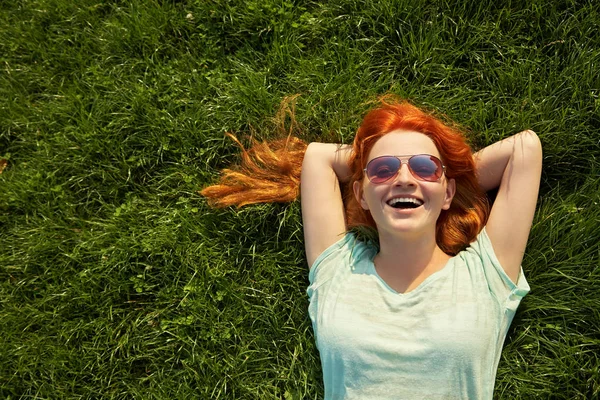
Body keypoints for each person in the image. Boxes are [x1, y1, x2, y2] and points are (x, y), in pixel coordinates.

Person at [201, 97, 543, 399]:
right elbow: (319, 158)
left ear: (449, 193)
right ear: (361, 194)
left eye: (424, 168)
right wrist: (416, 174)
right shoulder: (338, 269)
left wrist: (441, 177)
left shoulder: (485, 274)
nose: (404, 179)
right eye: (383, 170)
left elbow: (525, 149)